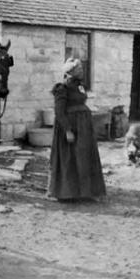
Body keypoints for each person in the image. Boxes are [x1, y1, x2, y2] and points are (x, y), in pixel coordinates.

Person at [47, 58, 106, 201]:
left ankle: (86, 192)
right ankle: (66, 194)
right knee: (69, 160)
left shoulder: (80, 86)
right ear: (70, 72)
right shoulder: (62, 89)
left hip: (84, 128)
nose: (82, 71)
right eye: (79, 69)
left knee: (84, 158)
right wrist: (68, 130)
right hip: (70, 127)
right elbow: (59, 112)